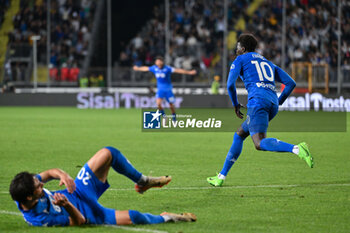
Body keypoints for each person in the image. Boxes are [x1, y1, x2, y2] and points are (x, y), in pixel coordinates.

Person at [207, 33, 314, 187]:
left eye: (237, 46)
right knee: (240, 134)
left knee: (259, 143)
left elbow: (230, 84)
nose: (235, 49)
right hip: (271, 104)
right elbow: (291, 83)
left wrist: (236, 104)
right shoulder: (269, 63)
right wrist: (278, 102)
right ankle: (221, 177)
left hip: (257, 103)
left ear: (243, 48)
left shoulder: (240, 59)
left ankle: (296, 148)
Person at [10, 146, 196, 226]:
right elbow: (79, 222)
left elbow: (50, 173)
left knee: (108, 153)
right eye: (38, 186)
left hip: (78, 190)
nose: (41, 183)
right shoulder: (39, 219)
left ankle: (144, 182)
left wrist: (63, 175)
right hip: (87, 213)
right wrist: (66, 205)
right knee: (134, 217)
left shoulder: (26, 186)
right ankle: (168, 218)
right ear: (29, 197)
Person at [133, 56, 196, 121]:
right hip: (160, 90)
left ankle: (174, 117)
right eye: (157, 62)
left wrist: (189, 72)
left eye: (159, 62)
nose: (158, 64)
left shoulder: (167, 68)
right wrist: (138, 68)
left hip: (168, 90)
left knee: (171, 106)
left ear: (162, 62)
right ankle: (164, 116)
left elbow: (178, 70)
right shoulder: (154, 68)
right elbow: (146, 68)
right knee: (158, 103)